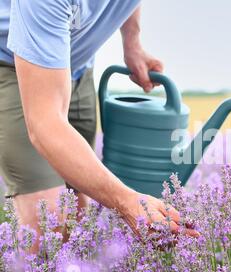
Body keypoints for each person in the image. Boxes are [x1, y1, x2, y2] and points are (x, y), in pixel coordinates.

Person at [0, 0, 198, 249]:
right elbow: (45, 124)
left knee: (79, 215)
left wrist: (132, 42)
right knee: (47, 220)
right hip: (13, 65)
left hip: (77, 64)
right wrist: (126, 201)